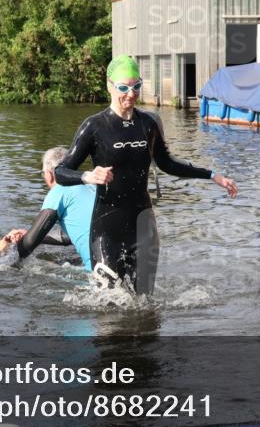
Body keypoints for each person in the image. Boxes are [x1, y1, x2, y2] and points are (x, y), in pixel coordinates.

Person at [55, 55, 237, 295]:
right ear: (109, 86)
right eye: (123, 88)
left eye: (136, 86)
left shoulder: (148, 124)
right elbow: (60, 172)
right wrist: (88, 176)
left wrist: (213, 175)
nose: (131, 94)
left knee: (144, 306)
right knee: (109, 305)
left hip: (143, 225)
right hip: (107, 226)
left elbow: (168, 164)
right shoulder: (94, 126)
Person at [0, 146, 96, 271]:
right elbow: (72, 234)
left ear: (50, 174)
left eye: (43, 173)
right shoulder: (92, 187)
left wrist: (4, 264)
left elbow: (29, 244)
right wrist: (30, 234)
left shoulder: (59, 191)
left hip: (96, 270)